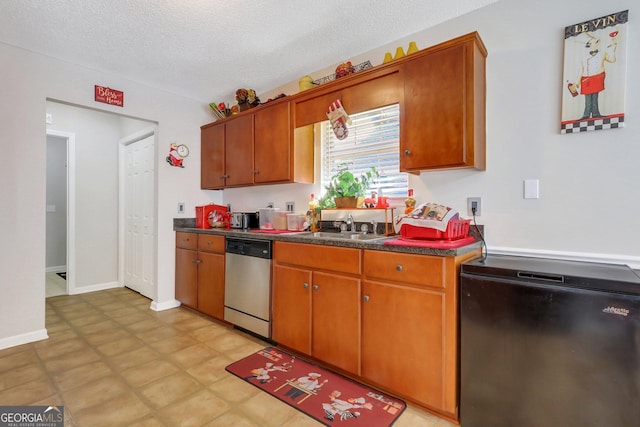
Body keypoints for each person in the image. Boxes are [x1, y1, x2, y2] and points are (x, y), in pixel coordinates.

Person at [575, 32, 618, 120]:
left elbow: (612, 60)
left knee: (595, 97)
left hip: (597, 77)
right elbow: (581, 69)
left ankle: (595, 113)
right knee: (587, 98)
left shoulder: (602, 53)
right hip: (586, 78)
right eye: (591, 42)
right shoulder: (584, 56)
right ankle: (586, 115)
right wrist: (577, 82)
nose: (594, 43)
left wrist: (613, 49)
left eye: (595, 41)